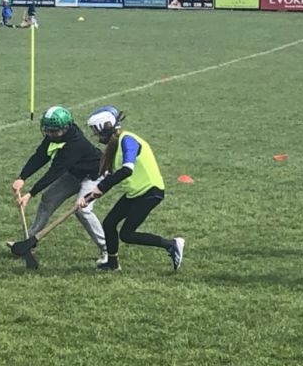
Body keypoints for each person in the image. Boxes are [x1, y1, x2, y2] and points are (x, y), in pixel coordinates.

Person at [76, 106, 184, 272]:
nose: (96, 135)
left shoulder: (128, 140)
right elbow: (109, 176)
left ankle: (172, 244)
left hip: (150, 192)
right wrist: (89, 197)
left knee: (127, 234)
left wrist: (101, 187)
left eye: (96, 131)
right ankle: (112, 264)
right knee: (109, 223)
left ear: (105, 127)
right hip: (135, 193)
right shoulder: (115, 145)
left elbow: (127, 169)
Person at [12, 106, 108, 264]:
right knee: (48, 198)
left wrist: (30, 194)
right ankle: (29, 242)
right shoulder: (54, 136)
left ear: (66, 128)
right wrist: (22, 177)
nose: (50, 134)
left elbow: (54, 171)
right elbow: (40, 156)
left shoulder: (76, 144)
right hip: (75, 173)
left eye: (54, 131)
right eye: (47, 130)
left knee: (83, 210)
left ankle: (107, 249)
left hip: (95, 175)